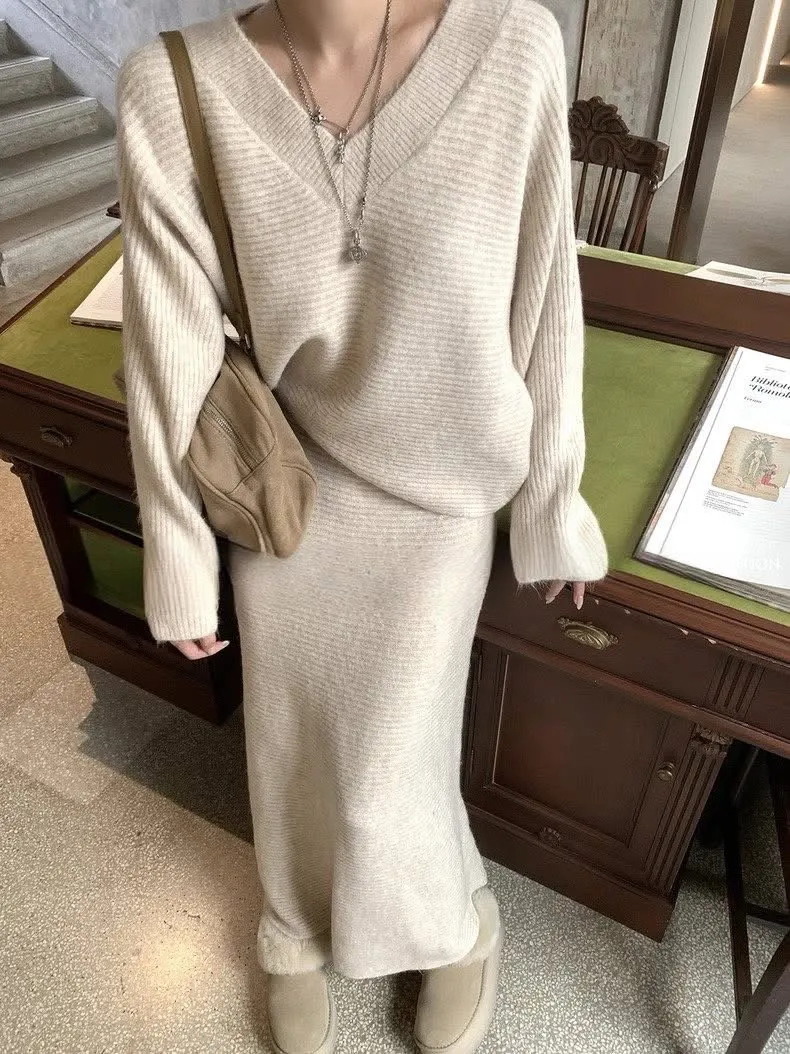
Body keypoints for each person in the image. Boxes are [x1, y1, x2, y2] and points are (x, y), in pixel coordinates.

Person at [115, 0, 609, 1051]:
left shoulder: (512, 43)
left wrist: (552, 498)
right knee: (287, 739)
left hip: (442, 494)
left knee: (390, 758)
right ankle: (291, 929)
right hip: (289, 487)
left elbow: (546, 287)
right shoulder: (174, 83)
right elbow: (167, 345)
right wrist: (181, 555)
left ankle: (451, 922)